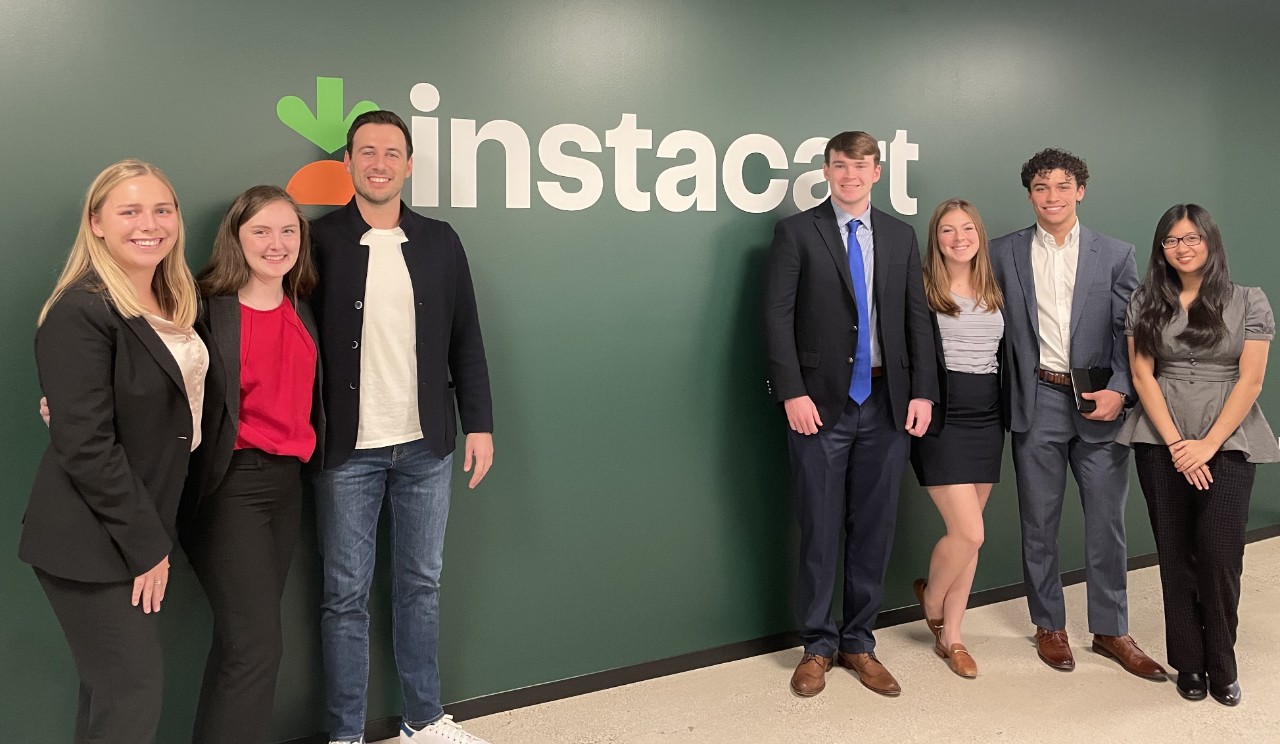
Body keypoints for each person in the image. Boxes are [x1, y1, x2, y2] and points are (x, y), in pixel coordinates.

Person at [311, 110, 495, 744]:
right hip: (346, 452)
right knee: (344, 598)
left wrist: (480, 424)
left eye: (392, 152)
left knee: (420, 585)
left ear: (409, 165)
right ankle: (344, 733)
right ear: (349, 164)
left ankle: (424, 719)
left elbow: (466, 336)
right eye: (367, 152)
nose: (379, 163)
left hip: (427, 447)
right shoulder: (317, 239)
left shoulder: (441, 239)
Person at [19, 159, 206, 743]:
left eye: (162, 209)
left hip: (140, 521)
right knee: (131, 694)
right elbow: (87, 447)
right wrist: (148, 547)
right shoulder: (81, 310)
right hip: (91, 537)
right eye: (129, 211)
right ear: (96, 223)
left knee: (111, 695)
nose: (149, 224)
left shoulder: (172, 298)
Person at [763, 130, 937, 698]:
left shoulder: (900, 235)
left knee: (874, 529)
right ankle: (818, 644)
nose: (850, 175)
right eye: (840, 166)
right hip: (819, 407)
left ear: (877, 172)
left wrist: (922, 392)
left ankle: (859, 642)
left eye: (860, 166)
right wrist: (791, 391)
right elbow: (777, 319)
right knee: (818, 527)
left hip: (887, 405)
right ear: (826, 171)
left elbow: (916, 319)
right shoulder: (796, 231)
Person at [989, 148, 1165, 678]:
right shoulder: (1002, 253)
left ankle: (1111, 629)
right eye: (1042, 188)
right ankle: (1049, 624)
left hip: (1099, 403)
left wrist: (1121, 390)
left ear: (1080, 191)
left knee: (1106, 524)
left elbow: (1131, 333)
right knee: (1038, 524)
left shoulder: (1115, 253)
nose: (1052, 197)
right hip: (1036, 399)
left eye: (1063, 186)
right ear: (1030, 195)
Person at [1117, 204, 1277, 706]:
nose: (1182, 248)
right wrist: (1177, 445)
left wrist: (1206, 446)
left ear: (1210, 241)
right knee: (1175, 553)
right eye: (1171, 240)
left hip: (1228, 435)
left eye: (1191, 238)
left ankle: (1222, 663)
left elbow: (1250, 379)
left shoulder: (1249, 300)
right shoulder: (1145, 300)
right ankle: (1188, 662)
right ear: (1161, 249)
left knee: (1219, 552)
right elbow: (1142, 375)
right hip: (1160, 434)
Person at [181, 185, 322, 742]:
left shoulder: (302, 306)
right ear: (236, 237)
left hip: (287, 486)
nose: (277, 242)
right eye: (261, 230)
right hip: (229, 485)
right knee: (257, 646)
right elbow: (148, 371)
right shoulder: (200, 307)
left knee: (242, 646)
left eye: (289, 230)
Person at [908, 199, 1004, 678]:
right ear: (936, 238)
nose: (959, 237)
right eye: (948, 230)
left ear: (979, 235)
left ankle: (954, 637)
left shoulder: (996, 287)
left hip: (988, 415)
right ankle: (932, 603)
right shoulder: (920, 287)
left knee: (971, 541)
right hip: (940, 417)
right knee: (970, 531)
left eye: (968, 228)